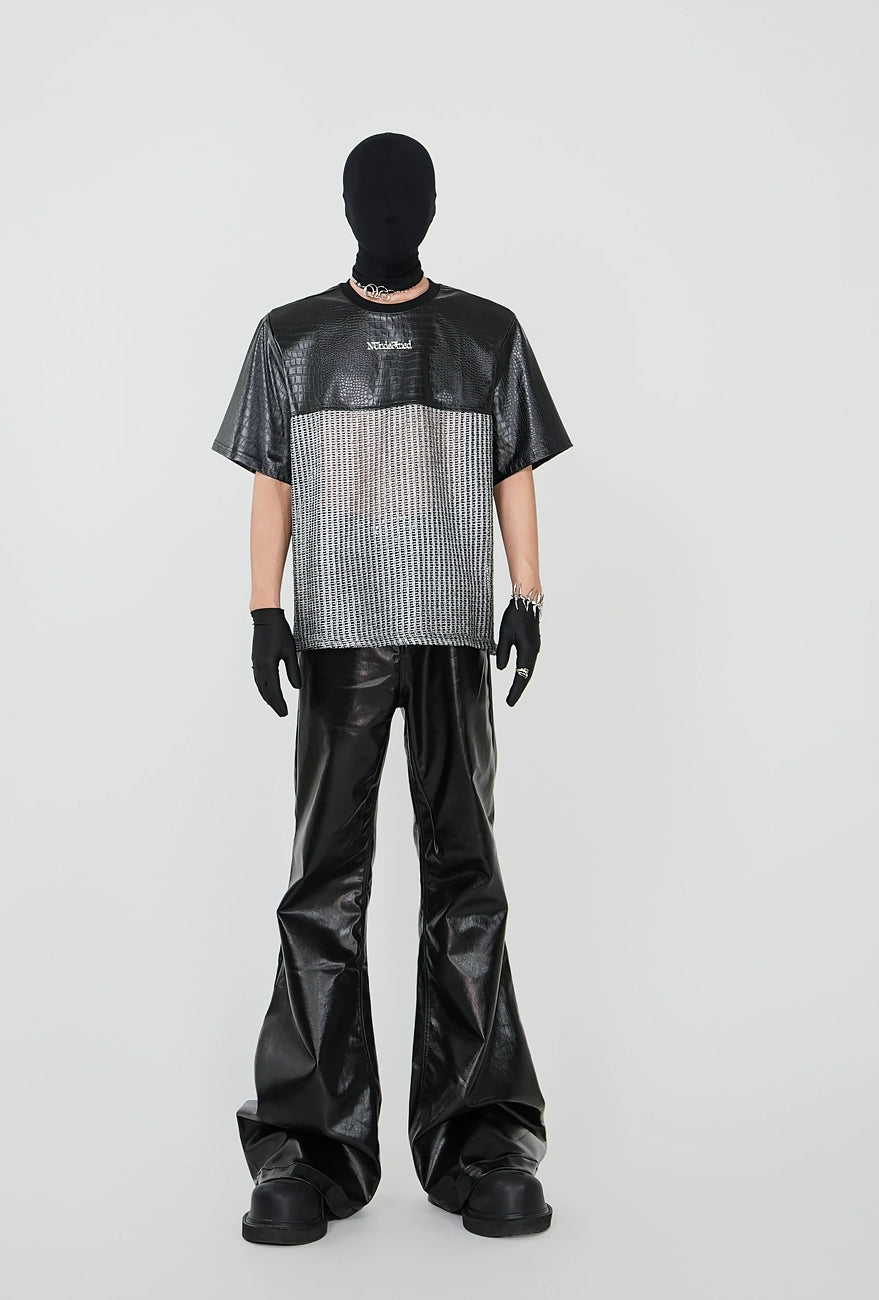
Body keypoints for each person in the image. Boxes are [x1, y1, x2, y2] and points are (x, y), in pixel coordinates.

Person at [211, 132, 573, 1244]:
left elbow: (513, 467)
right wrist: (264, 609)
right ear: (344, 206)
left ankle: (483, 1134)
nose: (387, 209)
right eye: (371, 194)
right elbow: (273, 478)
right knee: (324, 878)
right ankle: (307, 1145)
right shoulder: (291, 338)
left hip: (454, 630)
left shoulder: (487, 335)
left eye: (405, 193)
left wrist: (527, 594)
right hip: (337, 636)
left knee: (467, 874)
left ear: (431, 207)